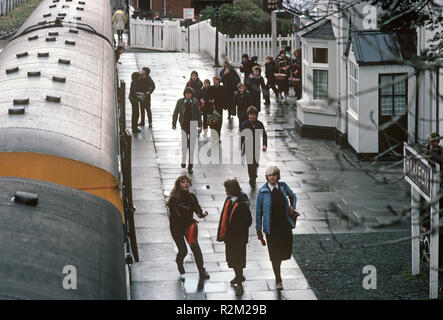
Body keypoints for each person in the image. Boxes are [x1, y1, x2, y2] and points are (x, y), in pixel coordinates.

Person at [256, 166, 298, 291]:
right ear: (267, 177)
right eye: (269, 175)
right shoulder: (262, 192)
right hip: (272, 228)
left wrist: (292, 206)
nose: (272, 177)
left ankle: (278, 268)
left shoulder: (283, 186)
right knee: (275, 255)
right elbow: (259, 212)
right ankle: (278, 278)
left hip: (284, 225)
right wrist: (259, 230)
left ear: (278, 176)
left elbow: (293, 196)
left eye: (274, 175)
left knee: (285, 251)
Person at [166, 174, 210, 279]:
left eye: (187, 182)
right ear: (179, 185)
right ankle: (179, 261)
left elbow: (197, 210)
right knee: (183, 250)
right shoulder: (174, 199)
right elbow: (172, 216)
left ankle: (201, 270)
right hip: (176, 227)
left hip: (189, 226)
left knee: (196, 248)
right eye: (183, 182)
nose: (185, 184)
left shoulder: (191, 196)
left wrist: (201, 214)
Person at [217, 179, 252, 296]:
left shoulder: (242, 204)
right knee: (232, 259)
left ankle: (239, 283)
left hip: (238, 238)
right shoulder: (230, 200)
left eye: (227, 189)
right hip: (230, 238)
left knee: (238, 260)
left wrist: (234, 231)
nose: (225, 192)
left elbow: (248, 221)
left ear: (231, 190)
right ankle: (239, 276)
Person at [172, 87, 202, 174]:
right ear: (184, 94)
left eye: (190, 93)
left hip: (193, 125)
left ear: (192, 94)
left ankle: (190, 166)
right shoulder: (180, 102)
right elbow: (175, 113)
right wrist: (173, 124)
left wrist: (200, 125)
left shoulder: (195, 102)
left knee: (192, 147)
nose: (188, 94)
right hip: (184, 125)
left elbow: (199, 114)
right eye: (187, 93)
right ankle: (183, 158)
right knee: (185, 145)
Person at [240, 106, 267, 188]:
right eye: (250, 115)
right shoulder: (244, 124)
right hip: (248, 146)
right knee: (250, 164)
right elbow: (242, 137)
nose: (252, 117)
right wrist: (242, 148)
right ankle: (252, 179)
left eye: (253, 115)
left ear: (256, 115)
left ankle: (254, 174)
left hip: (256, 146)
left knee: (255, 163)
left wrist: (264, 145)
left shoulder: (259, 124)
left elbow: (264, 135)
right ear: (248, 115)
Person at [207, 75, 226, 143]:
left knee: (218, 124)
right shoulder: (210, 88)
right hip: (211, 108)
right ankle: (213, 136)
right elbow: (207, 96)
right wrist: (209, 101)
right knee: (212, 124)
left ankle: (218, 137)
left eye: (215, 80)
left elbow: (224, 98)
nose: (214, 81)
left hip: (218, 108)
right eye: (213, 80)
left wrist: (216, 101)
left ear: (219, 81)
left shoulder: (222, 88)